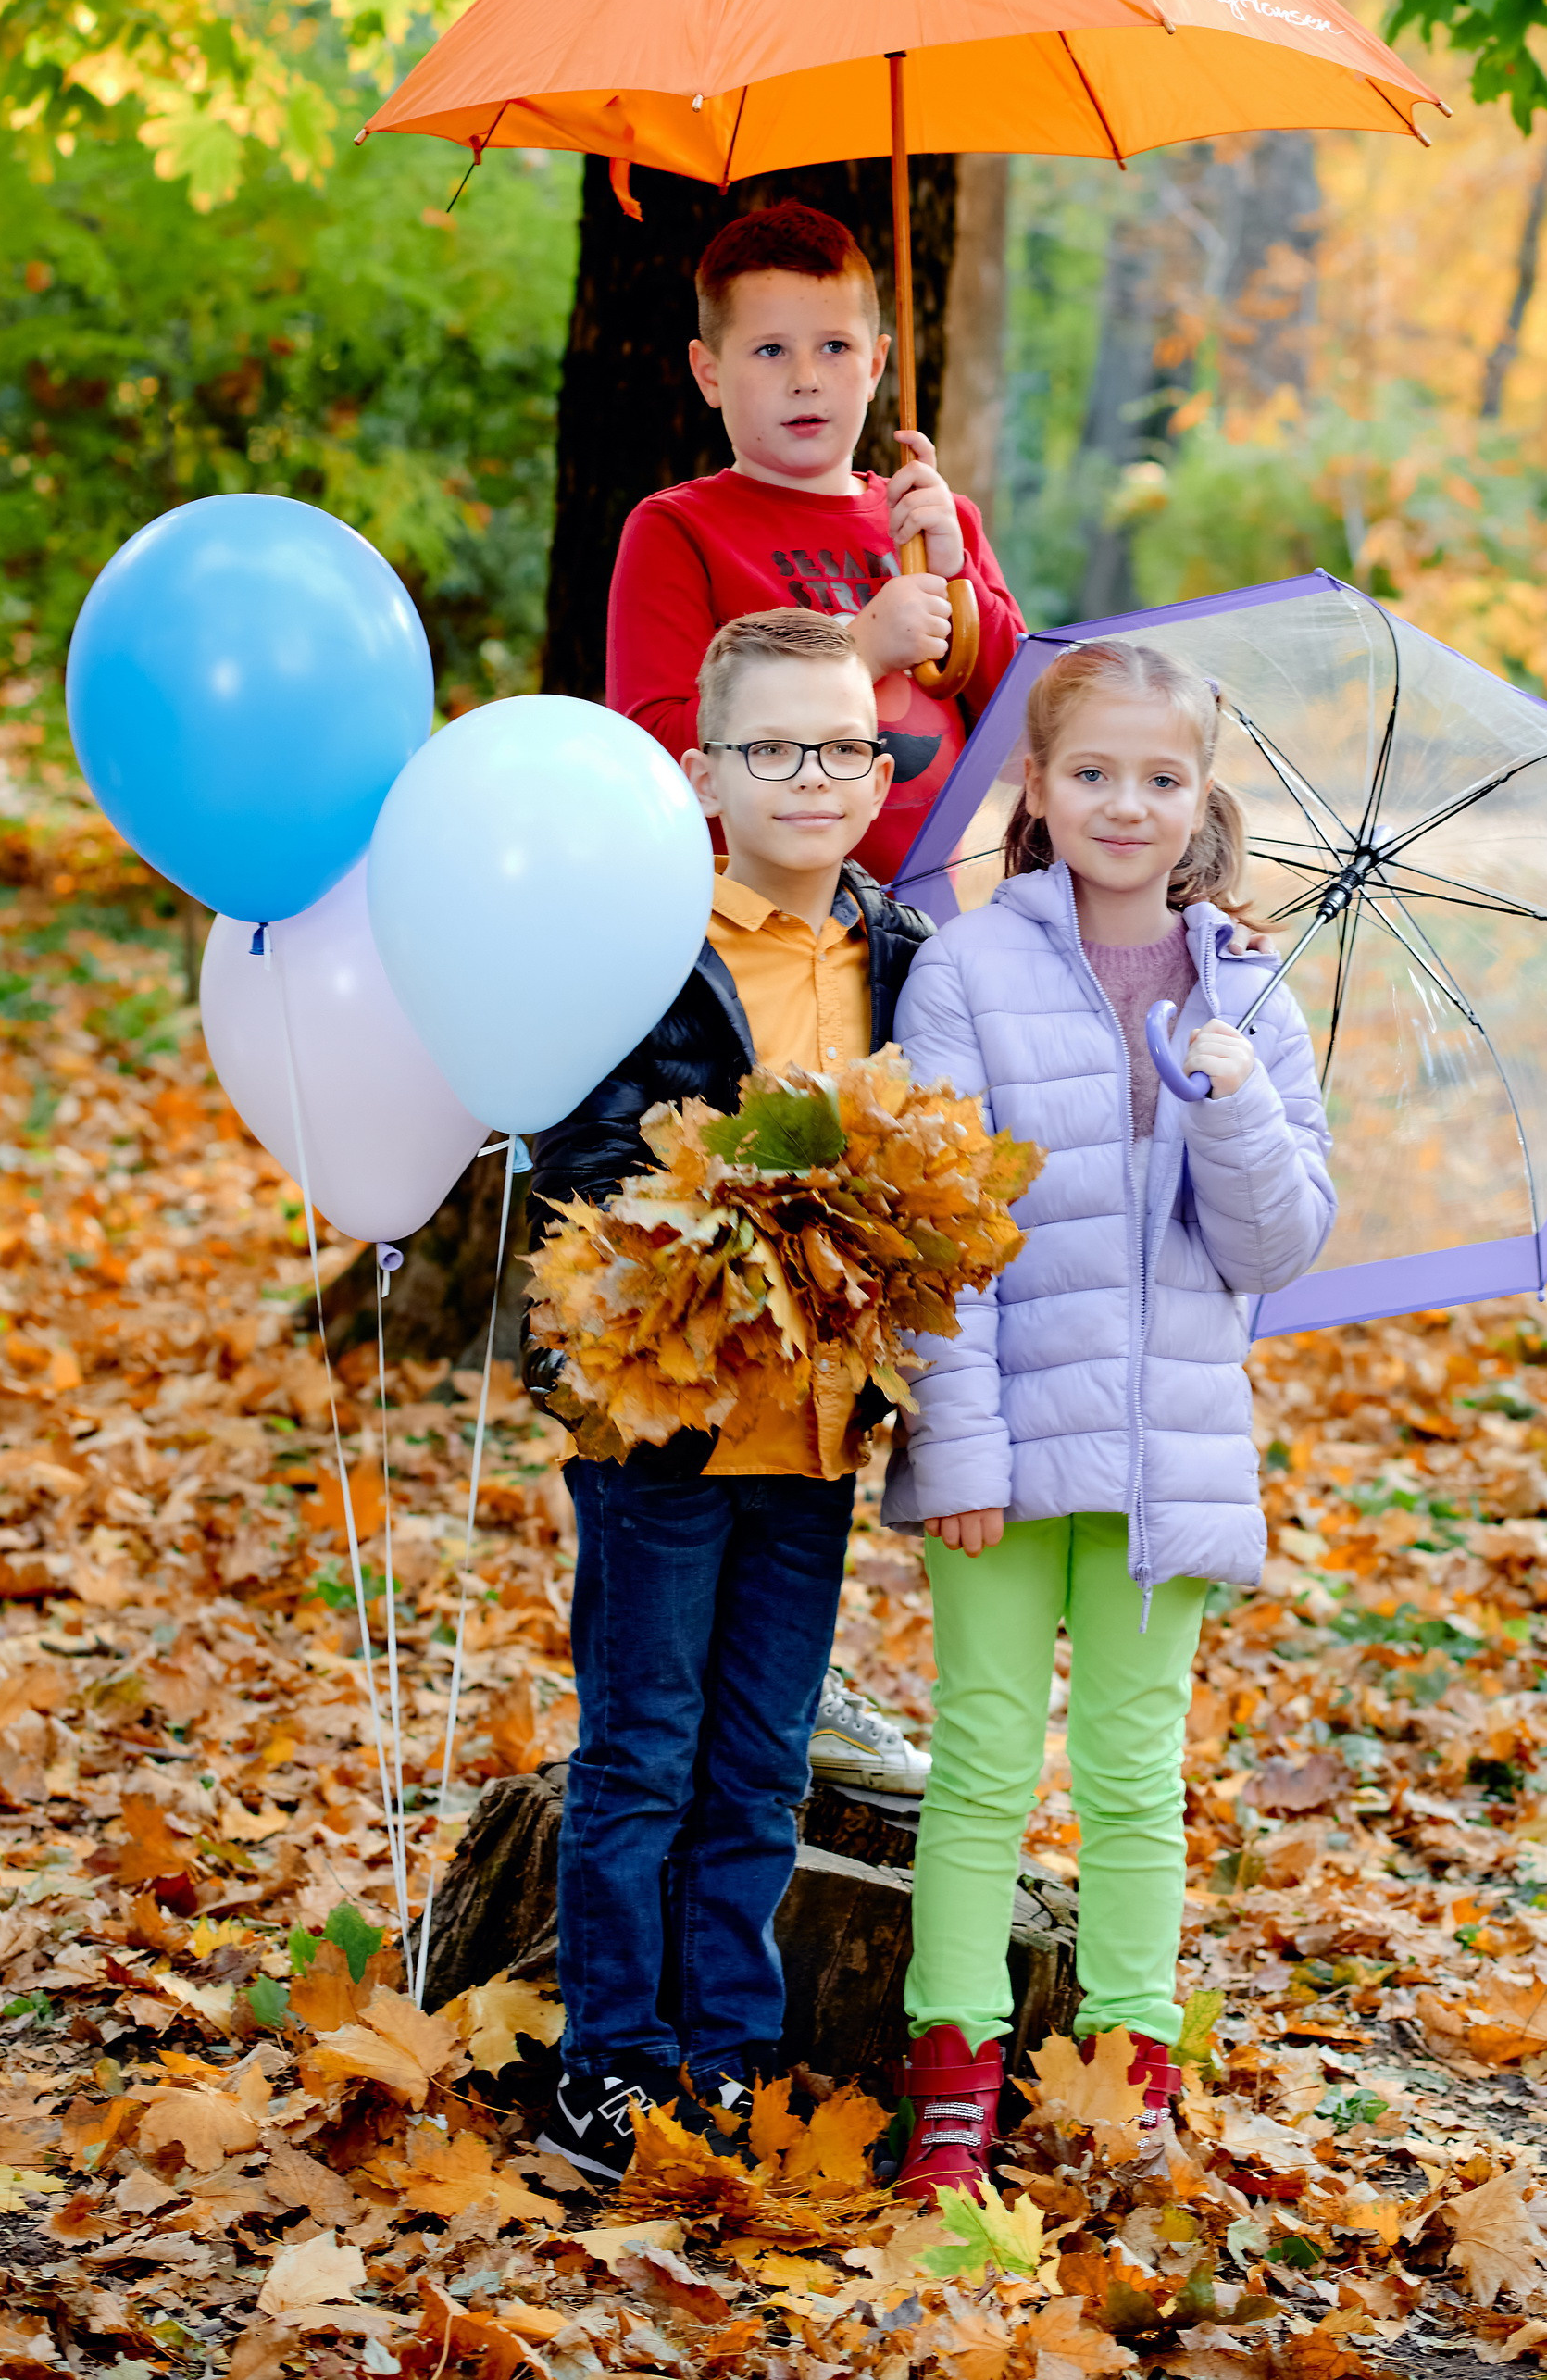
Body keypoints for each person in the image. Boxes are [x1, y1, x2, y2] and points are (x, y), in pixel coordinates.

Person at [880, 635, 1336, 2197]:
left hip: (1170, 1450)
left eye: (1160, 779)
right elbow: (940, 1239)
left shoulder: (1248, 992)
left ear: (1202, 799)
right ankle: (954, 2070)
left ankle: (1130, 2068)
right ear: (1038, 788)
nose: (1124, 806)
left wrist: (1236, 1099)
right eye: (1092, 774)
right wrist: (959, 1453)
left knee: (1140, 1771)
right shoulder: (966, 970)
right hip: (1002, 1444)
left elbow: (1278, 1249)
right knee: (987, 1759)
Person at [523, 608, 934, 2182]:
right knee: (643, 1748)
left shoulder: (894, 949)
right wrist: (740, 1194)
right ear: (703, 772)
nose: (817, 776)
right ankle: (607, 2063)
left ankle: (725, 2052)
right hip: (667, 1427)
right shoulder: (651, 944)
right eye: (775, 748)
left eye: (846, 745)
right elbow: (578, 1158)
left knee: (761, 1760)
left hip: (815, 1428)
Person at [605, 199, 1025, 887]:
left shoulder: (938, 524)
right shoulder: (678, 530)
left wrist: (960, 578)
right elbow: (657, 751)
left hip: (923, 923)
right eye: (770, 350)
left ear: (877, 362)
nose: (807, 376)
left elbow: (1026, 742)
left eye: (835, 346)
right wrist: (857, 653)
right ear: (709, 374)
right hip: (752, 921)